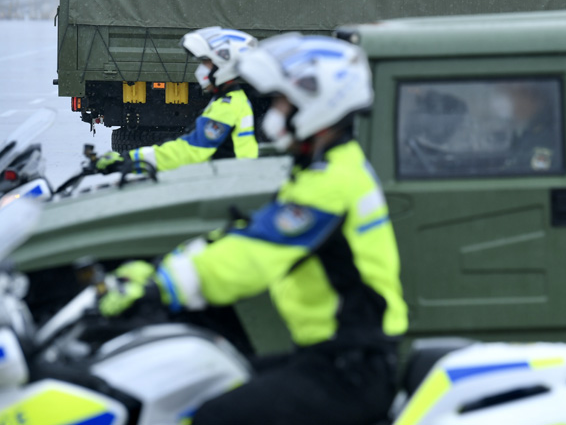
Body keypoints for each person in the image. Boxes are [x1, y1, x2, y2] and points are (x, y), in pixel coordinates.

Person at [98, 33, 408, 425]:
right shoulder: (325, 169)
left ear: (318, 106)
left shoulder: (331, 184)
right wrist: (162, 267)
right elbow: (250, 233)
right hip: (333, 354)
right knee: (207, 385)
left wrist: (162, 287)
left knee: (213, 416)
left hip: (351, 367)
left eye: (283, 102)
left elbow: (254, 256)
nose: (274, 112)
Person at [96, 27, 259, 174]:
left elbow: (191, 150)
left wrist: (129, 160)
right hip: (232, 178)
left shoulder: (227, 107)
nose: (201, 69)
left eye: (206, 63)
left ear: (224, 65)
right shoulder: (232, 100)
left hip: (231, 182)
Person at [503, 82, 560, 173]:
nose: (518, 103)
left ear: (540, 103)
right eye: (515, 98)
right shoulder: (523, 133)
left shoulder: (545, 138)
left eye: (524, 98)